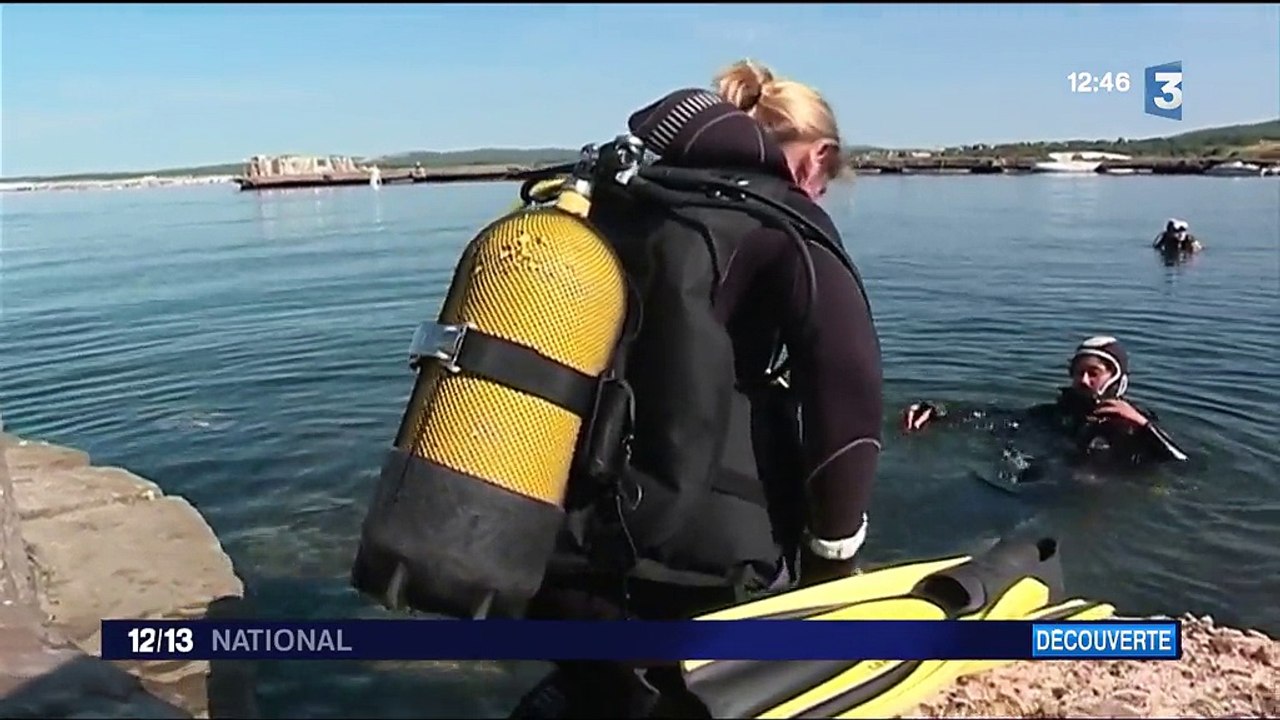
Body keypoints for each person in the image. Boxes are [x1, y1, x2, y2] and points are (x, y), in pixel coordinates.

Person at [508, 59, 884, 718]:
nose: (820, 196)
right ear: (817, 157)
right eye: (825, 183)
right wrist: (834, 554)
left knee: (601, 691)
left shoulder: (619, 202)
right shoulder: (782, 220)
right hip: (697, 573)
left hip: (554, 541)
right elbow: (848, 393)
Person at [901, 336, 1189, 476]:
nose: (1083, 380)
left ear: (1115, 378)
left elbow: (1184, 465)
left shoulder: (1135, 426)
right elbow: (995, 417)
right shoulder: (1058, 415)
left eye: (1093, 373)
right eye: (1078, 372)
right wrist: (939, 411)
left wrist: (1142, 426)